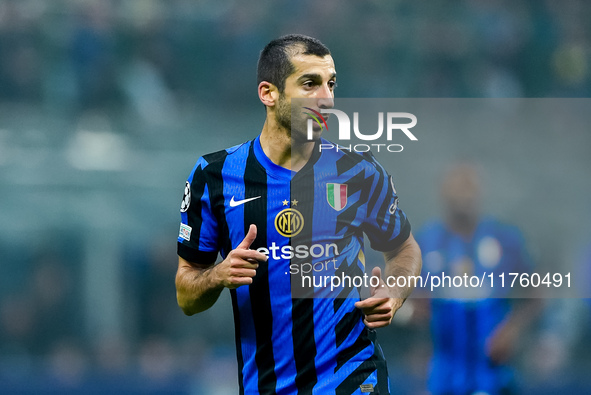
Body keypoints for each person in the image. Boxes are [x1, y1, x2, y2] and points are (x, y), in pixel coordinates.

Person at [174, 34, 422, 394]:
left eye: (331, 84)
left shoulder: (360, 172)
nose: (327, 98)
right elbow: (186, 296)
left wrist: (394, 292)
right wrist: (217, 275)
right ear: (268, 93)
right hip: (268, 385)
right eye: (310, 84)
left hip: (352, 376)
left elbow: (404, 249)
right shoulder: (214, 176)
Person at [415, 164, 540, 395]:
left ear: (480, 191)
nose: (463, 193)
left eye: (469, 186)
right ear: (443, 192)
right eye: (457, 186)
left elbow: (536, 294)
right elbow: (415, 302)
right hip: (443, 374)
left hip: (494, 372)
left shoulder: (504, 240)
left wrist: (513, 329)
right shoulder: (425, 242)